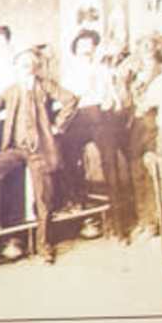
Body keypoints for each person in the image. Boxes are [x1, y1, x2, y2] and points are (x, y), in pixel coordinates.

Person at [0, 39, 71, 261]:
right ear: (16, 67)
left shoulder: (45, 85)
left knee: (43, 199)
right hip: (16, 148)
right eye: (21, 63)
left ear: (34, 65)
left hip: (40, 149)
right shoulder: (12, 90)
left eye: (28, 63)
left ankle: (44, 246)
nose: (25, 67)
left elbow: (71, 100)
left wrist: (57, 126)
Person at [57, 24, 136, 239]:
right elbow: (68, 100)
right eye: (82, 45)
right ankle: (77, 201)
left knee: (110, 163)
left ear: (94, 47)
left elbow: (115, 98)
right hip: (79, 118)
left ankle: (120, 225)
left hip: (101, 117)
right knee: (64, 151)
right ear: (76, 50)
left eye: (90, 44)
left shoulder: (104, 70)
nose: (87, 48)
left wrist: (113, 102)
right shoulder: (70, 73)